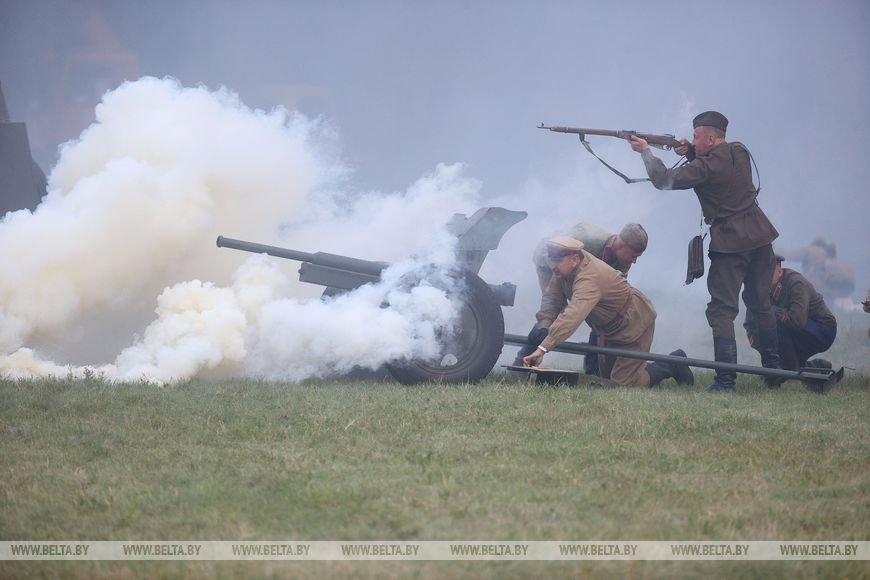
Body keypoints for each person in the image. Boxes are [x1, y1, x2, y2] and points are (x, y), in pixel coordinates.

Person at [628, 111, 781, 392]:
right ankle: (774, 371)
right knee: (761, 304)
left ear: (711, 139)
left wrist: (646, 152)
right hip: (760, 236)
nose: (693, 140)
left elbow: (663, 179)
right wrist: (691, 152)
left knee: (721, 312)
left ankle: (726, 381)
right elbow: (717, 169)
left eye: (697, 137)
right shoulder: (738, 151)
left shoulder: (706, 166)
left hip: (730, 243)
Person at [522, 236, 693, 387]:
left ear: (574, 259)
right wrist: (544, 325)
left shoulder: (589, 278)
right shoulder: (563, 271)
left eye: (557, 261)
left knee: (622, 385)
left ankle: (673, 364)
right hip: (608, 329)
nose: (552, 265)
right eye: (551, 259)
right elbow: (552, 300)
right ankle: (637, 368)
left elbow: (573, 314)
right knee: (605, 381)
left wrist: (543, 348)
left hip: (634, 324)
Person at [515, 222, 648, 369]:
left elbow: (615, 285)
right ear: (621, 245)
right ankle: (524, 359)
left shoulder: (623, 260)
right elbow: (558, 251)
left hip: (583, 278)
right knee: (554, 313)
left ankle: (592, 367)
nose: (634, 261)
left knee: (597, 311)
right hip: (549, 265)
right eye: (633, 255)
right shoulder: (587, 237)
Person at [744, 255, 836, 371]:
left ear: (779, 272)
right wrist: (761, 344)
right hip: (794, 329)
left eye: (768, 272)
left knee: (770, 317)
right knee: (768, 324)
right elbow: (751, 323)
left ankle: (788, 370)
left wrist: (770, 312)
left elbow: (797, 321)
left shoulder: (795, 283)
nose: (764, 277)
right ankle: (810, 368)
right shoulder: (759, 290)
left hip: (822, 328)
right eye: (761, 273)